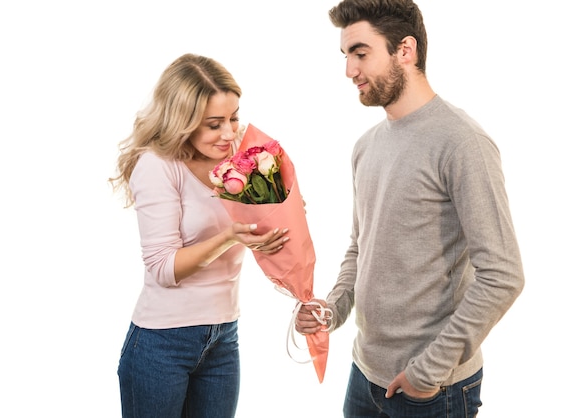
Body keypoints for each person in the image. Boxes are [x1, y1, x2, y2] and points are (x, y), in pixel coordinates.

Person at [295, 1, 525, 417]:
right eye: (346, 56)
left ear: (405, 50)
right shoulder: (366, 146)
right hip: (364, 374)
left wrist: (428, 372)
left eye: (361, 54)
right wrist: (331, 309)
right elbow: (360, 249)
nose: (349, 71)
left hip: (432, 389)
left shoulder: (461, 142)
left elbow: (503, 275)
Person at [109, 53, 288, 418]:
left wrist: (280, 213)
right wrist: (231, 236)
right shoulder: (158, 166)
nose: (229, 133)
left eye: (234, 117)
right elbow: (163, 267)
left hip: (223, 337)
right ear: (182, 122)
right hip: (162, 344)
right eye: (213, 124)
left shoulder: (239, 161)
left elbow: (258, 225)